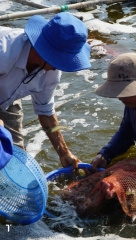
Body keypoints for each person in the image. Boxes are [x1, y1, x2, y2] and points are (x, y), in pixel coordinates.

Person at [0, 12, 91, 170]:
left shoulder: (51, 70)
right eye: (61, 58)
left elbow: (45, 110)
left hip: (8, 94)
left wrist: (63, 152)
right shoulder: (4, 49)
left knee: (16, 156)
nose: (62, 64)